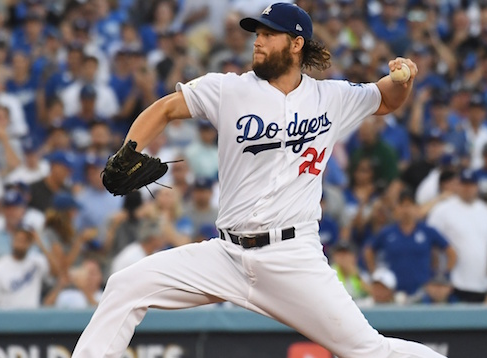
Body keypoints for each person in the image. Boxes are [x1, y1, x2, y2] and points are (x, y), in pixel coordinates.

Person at [72, 4, 446, 358]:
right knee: (126, 286)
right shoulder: (229, 89)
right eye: (257, 33)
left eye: (269, 34)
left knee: (367, 351)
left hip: (292, 257)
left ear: (296, 44)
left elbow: (385, 97)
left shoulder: (330, 97)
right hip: (226, 255)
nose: (258, 40)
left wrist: (406, 77)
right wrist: (131, 147)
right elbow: (167, 107)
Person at [364, 189, 456, 297]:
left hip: (422, 291)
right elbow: (369, 250)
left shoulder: (427, 231)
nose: (406, 210)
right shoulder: (387, 232)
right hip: (394, 291)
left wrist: (442, 275)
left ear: (416, 208)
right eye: (402, 205)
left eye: (409, 205)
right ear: (397, 209)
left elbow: (451, 252)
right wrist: (375, 273)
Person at [427, 169, 487, 303]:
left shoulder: (485, 211)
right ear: (458, 185)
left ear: (477, 187)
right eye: (464, 184)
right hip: (454, 283)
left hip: (481, 283)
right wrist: (438, 272)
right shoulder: (442, 210)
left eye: (471, 185)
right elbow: (431, 243)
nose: (467, 189)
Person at [0, 225, 58, 308]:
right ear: (12, 240)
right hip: (8, 317)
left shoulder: (37, 262)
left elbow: (56, 272)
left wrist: (41, 244)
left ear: (30, 243)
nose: (21, 243)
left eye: (25, 240)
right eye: (19, 239)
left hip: (32, 316)